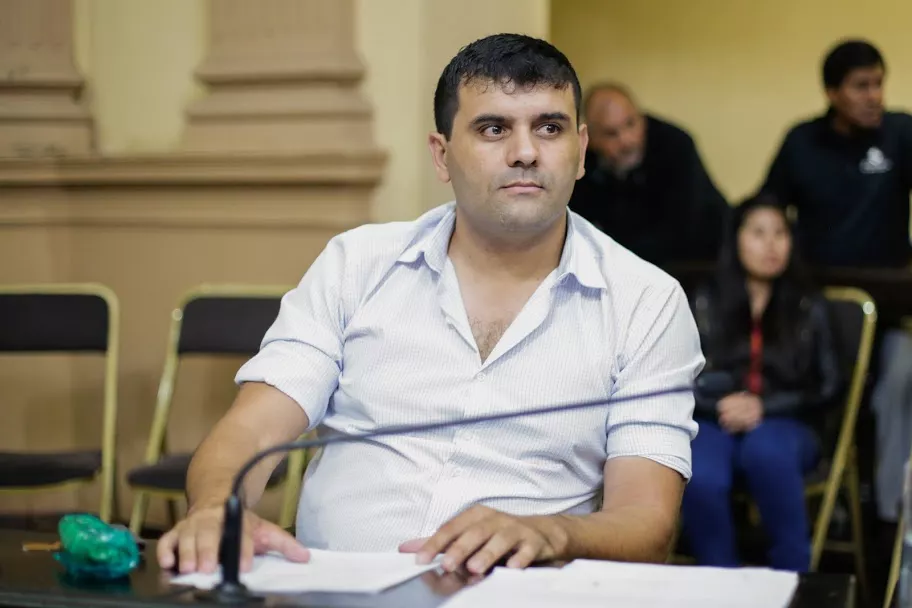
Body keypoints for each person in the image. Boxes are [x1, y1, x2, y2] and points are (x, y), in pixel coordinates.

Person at [156, 34, 705, 576]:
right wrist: (216, 509)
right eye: (493, 129)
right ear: (442, 155)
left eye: (549, 128)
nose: (525, 152)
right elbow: (252, 432)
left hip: (518, 592)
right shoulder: (357, 264)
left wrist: (551, 533)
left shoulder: (647, 302)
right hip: (334, 587)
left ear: (581, 151)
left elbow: (646, 520)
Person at [761, 38, 912, 525]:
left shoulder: (900, 133)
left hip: (891, 312)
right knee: (815, 391)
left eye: (879, 84)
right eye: (861, 86)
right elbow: (766, 211)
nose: (874, 96)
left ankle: (892, 516)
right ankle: (825, 503)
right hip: (819, 311)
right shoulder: (802, 142)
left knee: (899, 386)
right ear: (832, 92)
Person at [680, 195, 842, 571]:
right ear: (736, 239)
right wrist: (720, 405)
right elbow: (681, 375)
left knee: (766, 452)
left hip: (789, 422)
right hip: (715, 417)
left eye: (780, 233)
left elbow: (830, 386)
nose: (771, 245)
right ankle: (718, 580)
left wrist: (763, 407)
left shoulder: (809, 305)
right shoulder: (704, 300)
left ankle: (792, 576)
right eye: (758, 233)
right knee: (699, 468)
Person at [569, 83, 729, 266]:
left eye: (631, 124)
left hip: (696, 261)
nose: (626, 141)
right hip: (620, 264)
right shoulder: (580, 162)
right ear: (590, 139)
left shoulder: (675, 145)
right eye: (611, 134)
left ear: (642, 118)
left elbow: (686, 226)